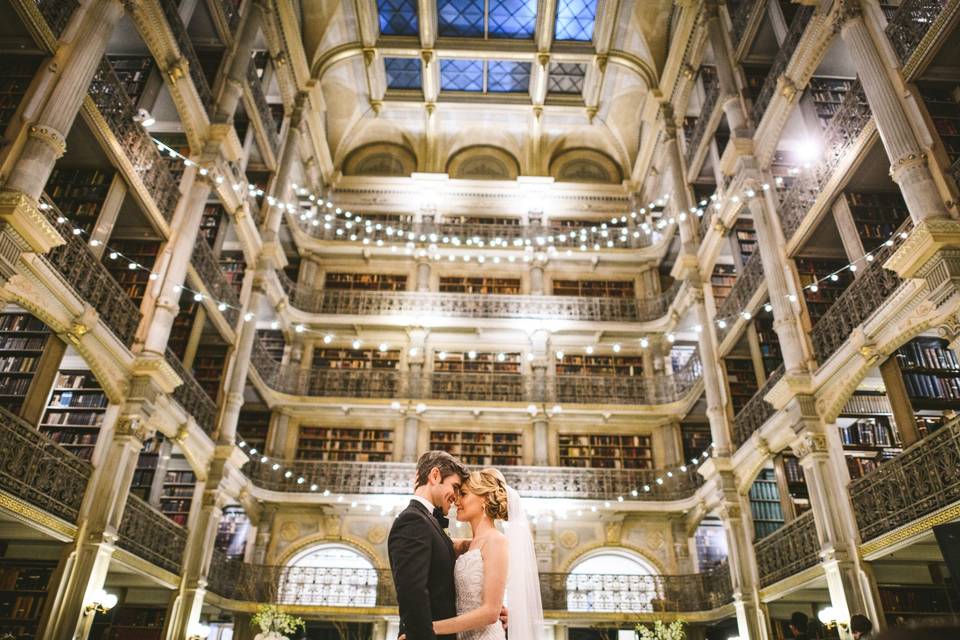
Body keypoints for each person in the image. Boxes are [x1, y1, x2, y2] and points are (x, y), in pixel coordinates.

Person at [431, 468, 543, 640]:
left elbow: (490, 612)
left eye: (464, 494)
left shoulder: (496, 541)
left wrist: (428, 628)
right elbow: (432, 540)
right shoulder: (468, 545)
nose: (456, 500)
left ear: (484, 499)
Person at [388, 451, 470, 640]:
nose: (457, 498)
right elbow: (413, 593)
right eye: (455, 487)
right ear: (435, 476)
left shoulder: (425, 521)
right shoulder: (413, 520)